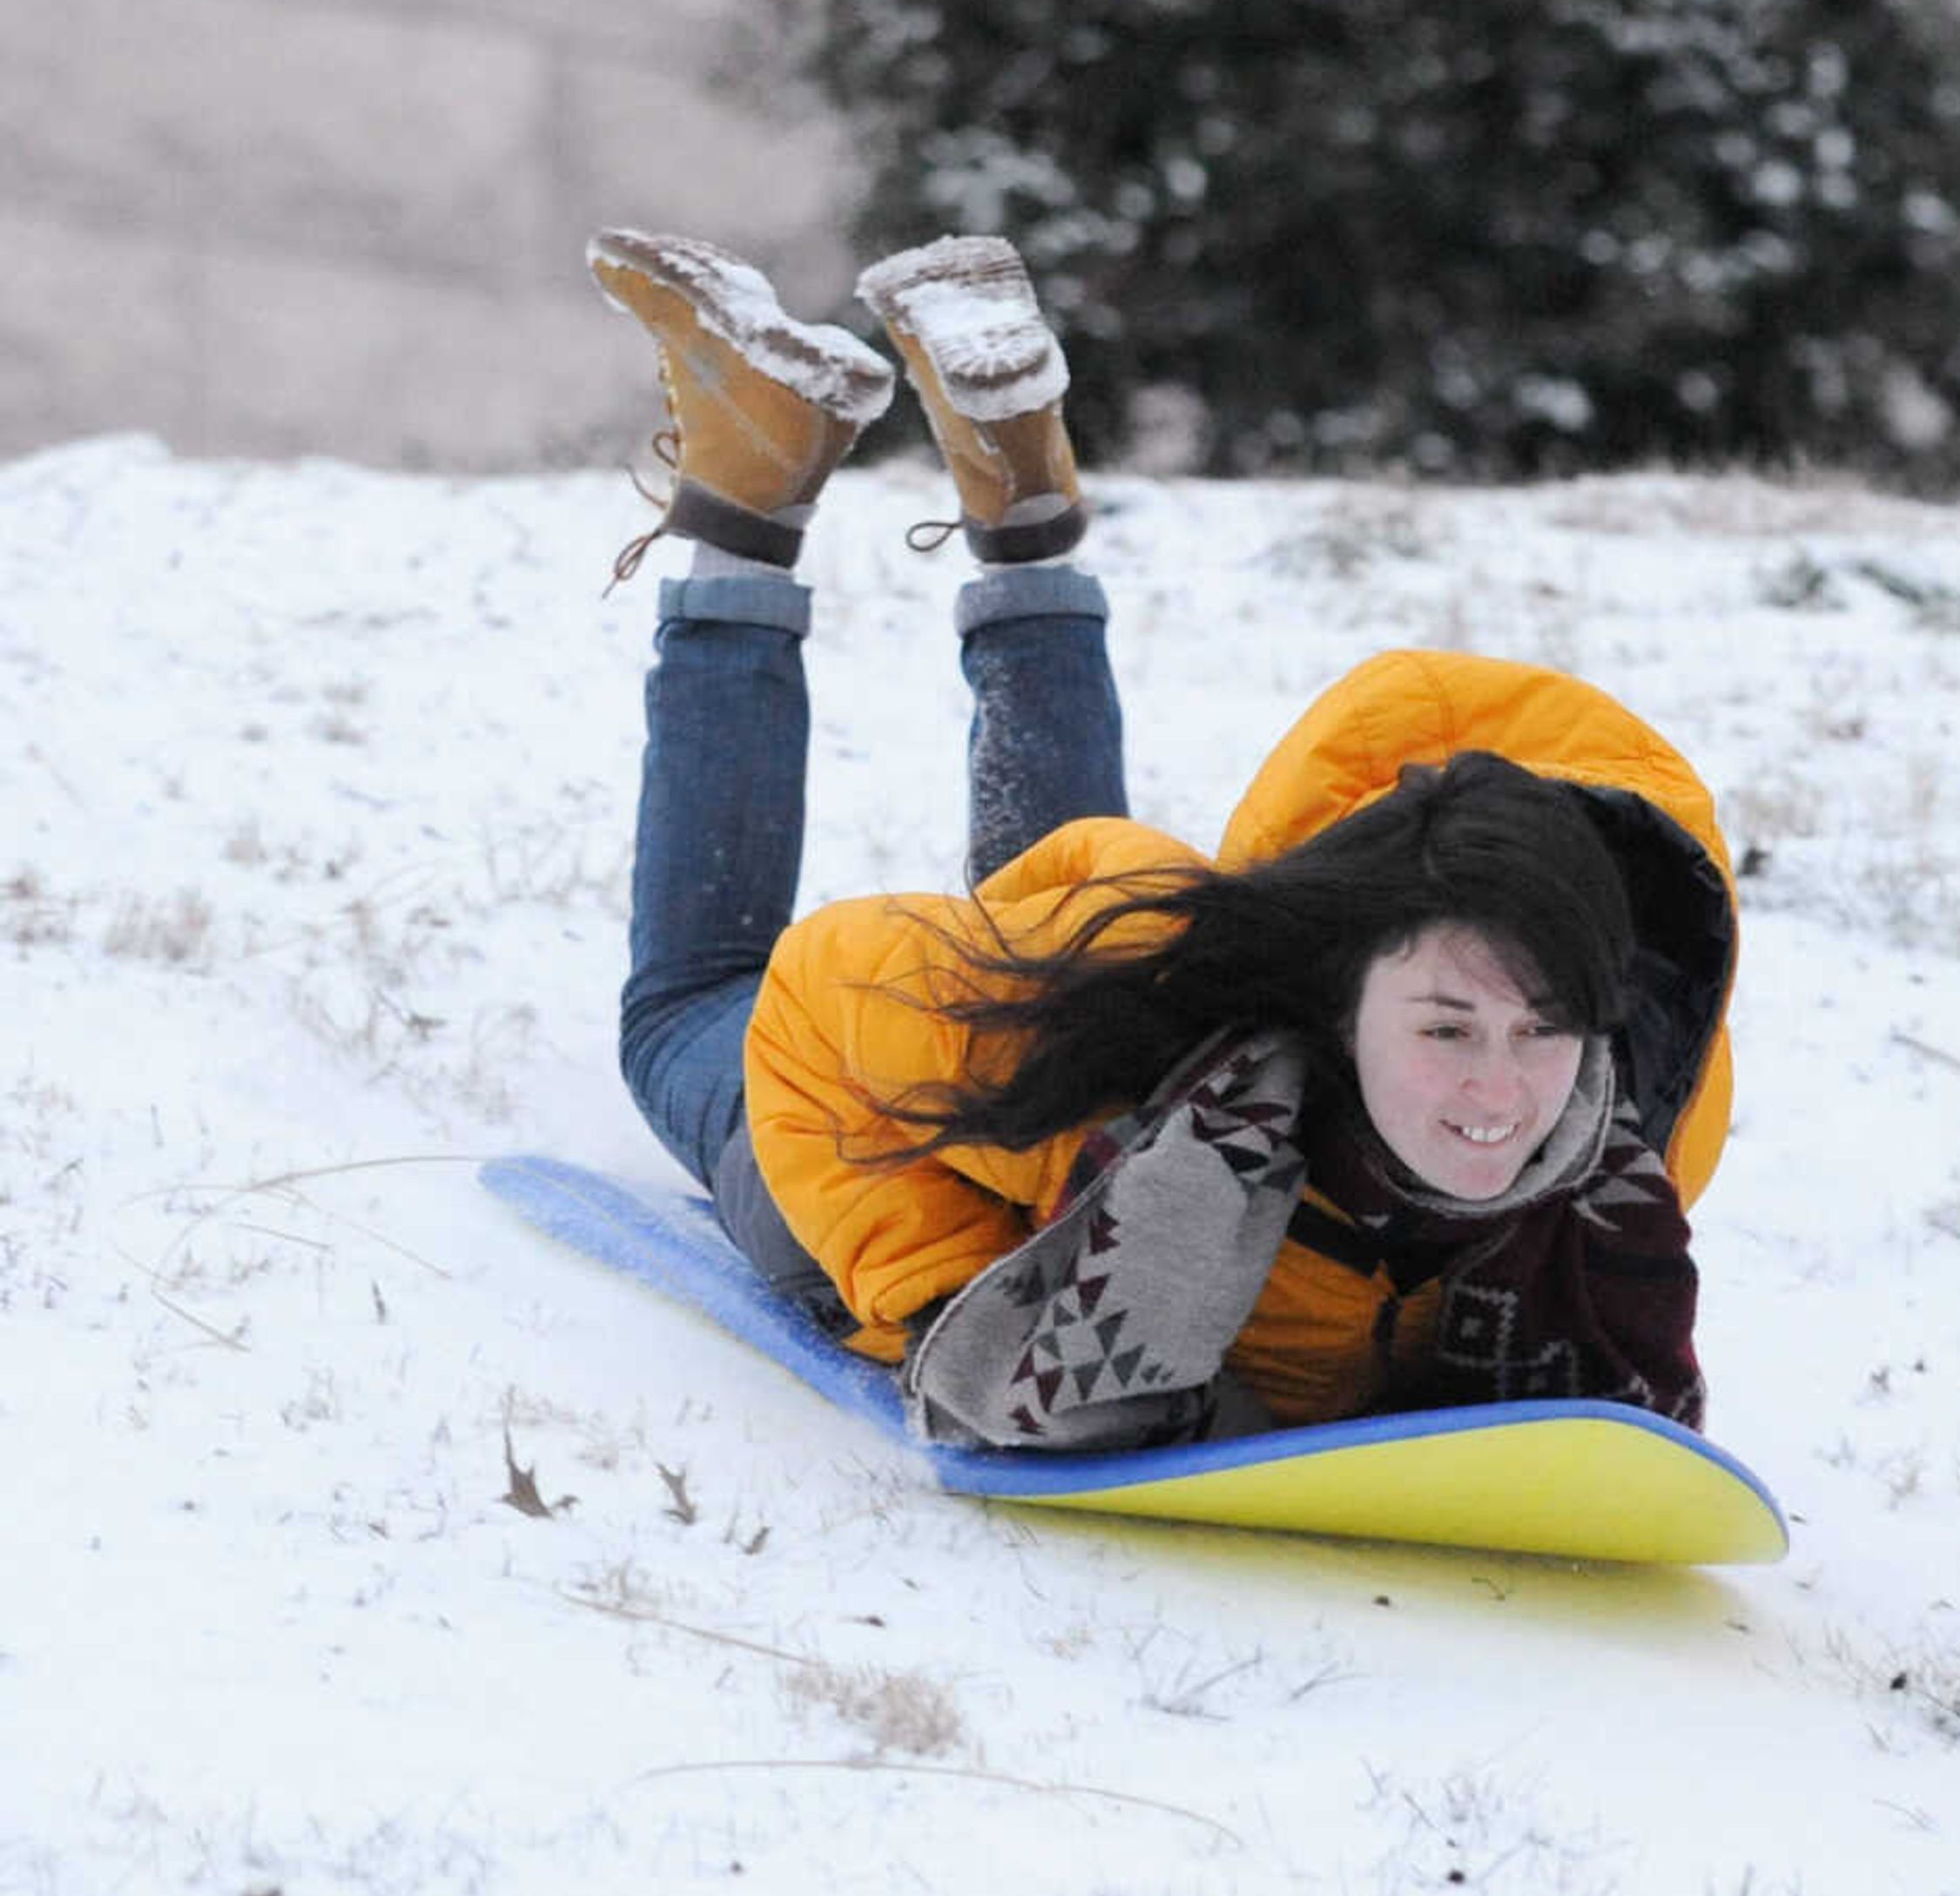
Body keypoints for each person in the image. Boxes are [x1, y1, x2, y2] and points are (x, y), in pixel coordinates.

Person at [590, 228, 1737, 1451]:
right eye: (1448, 1028)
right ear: (1338, 1004)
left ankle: (1024, 503)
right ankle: (745, 512)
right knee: (697, 1008)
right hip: (884, 1144)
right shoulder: (1156, 1079)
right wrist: (960, 1299)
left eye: (1543, 1029)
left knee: (1083, 971)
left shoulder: (1643, 1139)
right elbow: (816, 1009)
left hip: (1097, 1011)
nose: (1500, 1095)